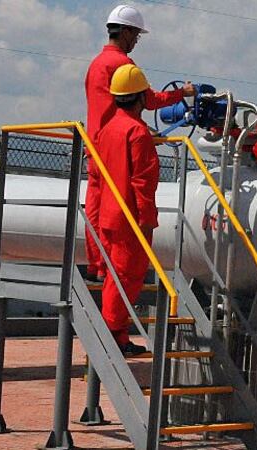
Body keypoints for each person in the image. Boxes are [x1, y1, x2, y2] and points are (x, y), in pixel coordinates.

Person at [84, 4, 196, 282]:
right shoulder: (122, 65)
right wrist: (183, 93)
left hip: (97, 145)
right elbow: (150, 100)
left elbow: (110, 107)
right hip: (120, 148)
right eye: (135, 35)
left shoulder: (96, 64)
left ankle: (98, 265)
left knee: (96, 208)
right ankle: (116, 270)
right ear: (125, 32)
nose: (136, 41)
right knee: (120, 211)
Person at [97, 64, 160, 355]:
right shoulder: (137, 132)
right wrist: (147, 220)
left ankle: (118, 336)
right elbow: (143, 182)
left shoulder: (107, 129)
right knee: (127, 278)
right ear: (140, 98)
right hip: (131, 219)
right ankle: (111, 334)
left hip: (109, 214)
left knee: (115, 275)